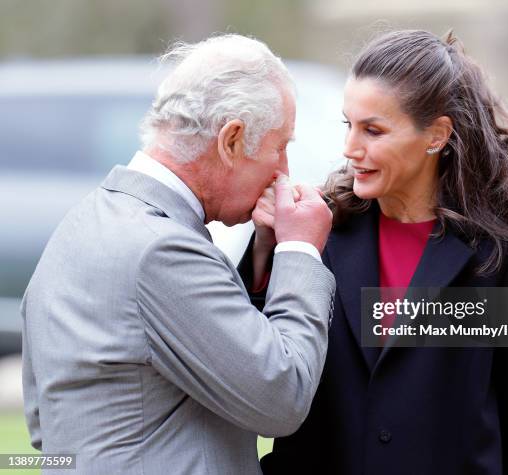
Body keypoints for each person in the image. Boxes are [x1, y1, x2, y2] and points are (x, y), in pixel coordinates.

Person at [244, 30, 508, 474]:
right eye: (349, 125)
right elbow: (247, 353)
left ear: (437, 135)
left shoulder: (496, 258)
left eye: (374, 130)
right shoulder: (319, 232)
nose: (350, 149)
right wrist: (270, 243)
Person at [20, 34, 335, 475]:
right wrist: (300, 250)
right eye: (280, 146)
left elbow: (43, 421)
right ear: (232, 140)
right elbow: (282, 396)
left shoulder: (83, 224)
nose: (283, 170)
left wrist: (266, 252)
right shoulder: (160, 250)